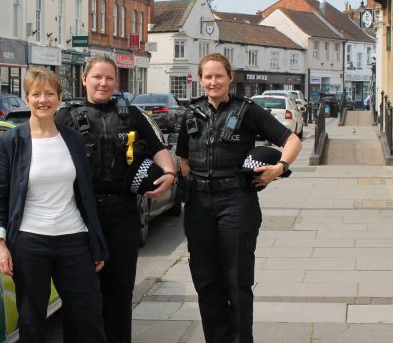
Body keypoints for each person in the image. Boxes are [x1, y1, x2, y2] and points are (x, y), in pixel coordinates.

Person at [176, 53, 302, 343]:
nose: (213, 81)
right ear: (200, 80)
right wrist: (191, 186)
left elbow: (291, 140)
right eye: (207, 76)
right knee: (207, 282)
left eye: (219, 75)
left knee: (236, 281)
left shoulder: (247, 111)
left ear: (230, 78)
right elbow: (183, 159)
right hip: (199, 207)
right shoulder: (191, 113)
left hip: (236, 203)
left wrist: (279, 168)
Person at [55, 55, 177, 343]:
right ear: (84, 79)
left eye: (109, 78)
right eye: (97, 77)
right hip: (79, 216)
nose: (103, 83)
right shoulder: (66, 117)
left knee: (119, 291)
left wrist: (170, 174)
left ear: (116, 82)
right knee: (80, 295)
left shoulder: (132, 115)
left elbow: (158, 147)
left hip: (123, 214)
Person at [0, 66, 108, 342]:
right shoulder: (10, 142)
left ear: (60, 98)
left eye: (49, 94)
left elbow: (85, 194)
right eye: (36, 94)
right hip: (30, 243)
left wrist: (96, 242)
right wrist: (0, 244)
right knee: (31, 322)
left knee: (88, 317)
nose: (43, 100)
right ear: (26, 98)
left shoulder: (73, 139)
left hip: (74, 239)